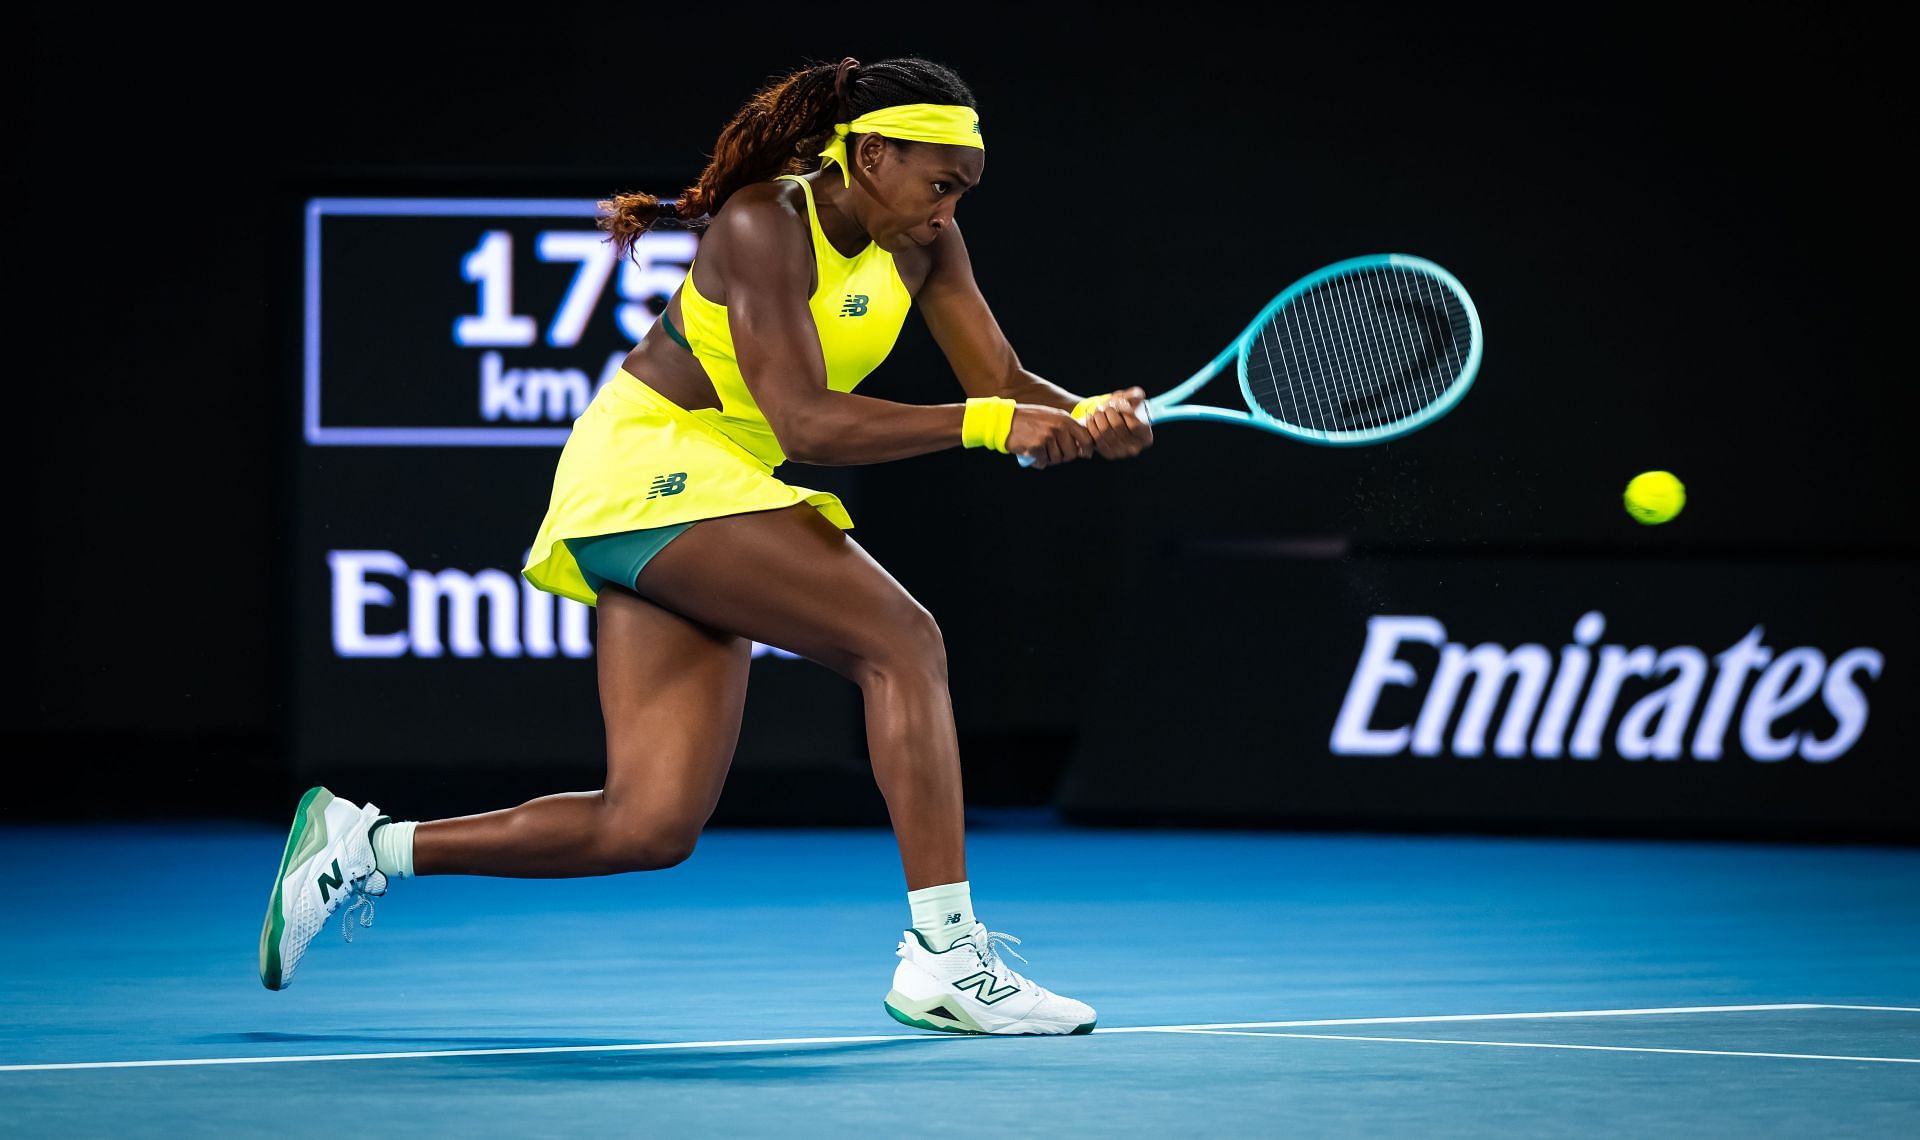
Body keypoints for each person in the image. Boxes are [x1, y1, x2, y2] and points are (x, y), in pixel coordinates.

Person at [259, 55, 1153, 1036]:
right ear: (871, 153)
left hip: (719, 490)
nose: (948, 210)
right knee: (902, 641)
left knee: (647, 825)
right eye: (938, 184)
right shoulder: (763, 222)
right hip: (650, 462)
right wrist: (991, 424)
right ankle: (945, 957)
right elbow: (810, 424)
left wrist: (1084, 413)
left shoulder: (929, 243)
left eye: (965, 191)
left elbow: (1003, 377)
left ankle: (361, 846)